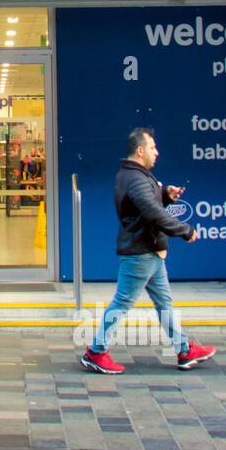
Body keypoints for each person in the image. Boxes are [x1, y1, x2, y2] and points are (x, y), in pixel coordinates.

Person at [81, 127, 217, 374]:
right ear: (140, 150)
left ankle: (184, 350)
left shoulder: (136, 175)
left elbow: (147, 203)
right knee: (122, 302)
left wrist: (165, 194)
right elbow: (151, 212)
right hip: (140, 252)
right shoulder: (134, 178)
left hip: (150, 251)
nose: (157, 152)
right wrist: (184, 230)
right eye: (153, 147)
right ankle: (97, 351)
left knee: (164, 303)